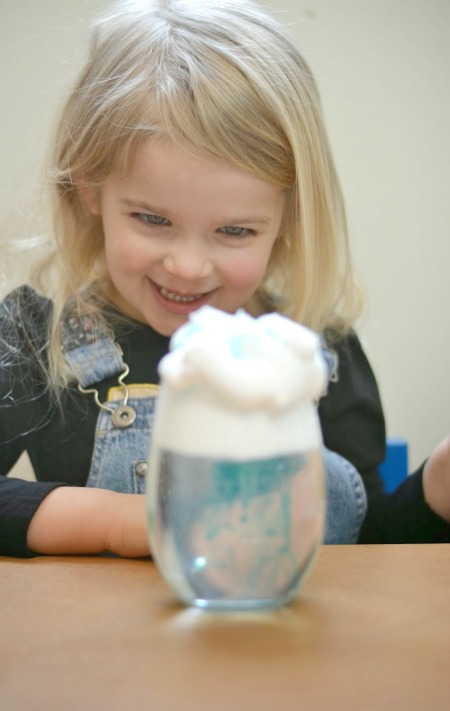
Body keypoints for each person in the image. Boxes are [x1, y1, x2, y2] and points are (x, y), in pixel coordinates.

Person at [0, 0, 448, 558]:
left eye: (234, 230)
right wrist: (115, 521)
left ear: (287, 219)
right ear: (91, 187)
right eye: (152, 219)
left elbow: (367, 544)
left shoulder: (324, 354)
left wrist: (438, 487)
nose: (187, 266)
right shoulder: (34, 338)